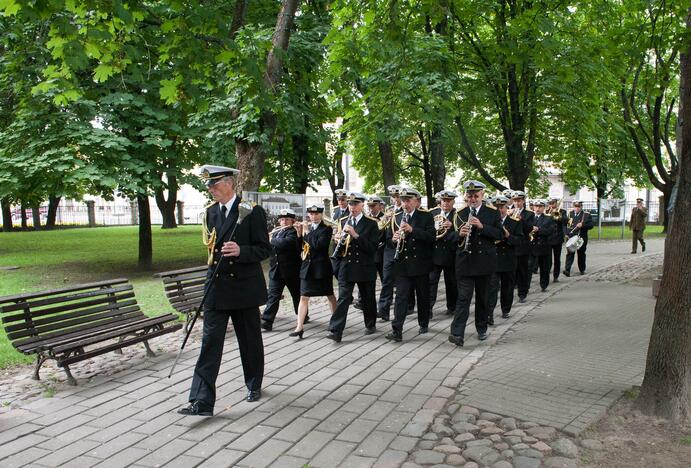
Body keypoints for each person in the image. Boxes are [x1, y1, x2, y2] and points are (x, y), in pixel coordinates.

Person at [178, 165, 271, 417]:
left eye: (215, 184)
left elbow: (265, 249)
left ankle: (254, 384)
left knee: (249, 341)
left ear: (230, 183)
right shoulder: (210, 213)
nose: (210, 190)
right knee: (209, 344)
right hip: (217, 288)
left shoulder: (252, 212)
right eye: (208, 186)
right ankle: (201, 401)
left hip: (243, 287)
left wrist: (242, 251)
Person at [448, 181, 503, 347]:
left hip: (484, 263)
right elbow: (448, 237)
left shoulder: (492, 213)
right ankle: (457, 333)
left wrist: (482, 226)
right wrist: (459, 234)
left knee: (482, 298)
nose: (472, 199)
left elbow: (499, 234)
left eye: (476, 196)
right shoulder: (459, 213)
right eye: (470, 196)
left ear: (482, 196)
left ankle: (481, 328)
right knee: (463, 298)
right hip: (465, 263)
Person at [327, 192, 380, 342]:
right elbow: (338, 247)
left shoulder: (371, 223)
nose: (352, 207)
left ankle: (370, 324)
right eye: (350, 204)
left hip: (364, 266)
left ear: (362, 204)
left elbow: (372, 248)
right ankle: (336, 330)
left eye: (355, 204)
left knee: (368, 298)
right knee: (343, 298)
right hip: (347, 266)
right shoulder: (342, 220)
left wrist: (356, 235)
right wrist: (337, 240)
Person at [385, 187, 435, 342]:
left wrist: (413, 230)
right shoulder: (396, 216)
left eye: (408, 201)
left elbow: (431, 238)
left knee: (422, 296)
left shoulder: (425, 216)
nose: (405, 204)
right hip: (403, 265)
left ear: (416, 201)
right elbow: (387, 240)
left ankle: (423, 323)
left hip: (420, 264)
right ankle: (397, 330)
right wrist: (393, 239)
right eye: (403, 200)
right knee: (401, 297)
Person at [292, 205, 337, 337]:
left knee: (330, 295)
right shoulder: (308, 228)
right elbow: (300, 247)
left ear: (321, 215)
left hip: (321, 268)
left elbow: (319, 246)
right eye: (311, 214)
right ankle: (299, 327)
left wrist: (306, 232)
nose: (314, 216)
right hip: (307, 268)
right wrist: (299, 234)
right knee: (303, 296)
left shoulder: (327, 229)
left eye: (317, 214)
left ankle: (335, 322)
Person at [261, 209, 302, 331]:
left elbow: (285, 243)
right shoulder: (276, 232)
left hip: (291, 271)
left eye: (287, 219)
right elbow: (270, 250)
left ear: (292, 221)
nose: (284, 222)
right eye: (282, 219)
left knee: (297, 295)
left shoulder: (293, 232)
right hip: (276, 270)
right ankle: (267, 321)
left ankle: (302, 315)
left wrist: (270, 240)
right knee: (273, 296)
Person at [487, 195, 523, 323]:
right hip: (493, 260)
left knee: (507, 288)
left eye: (501, 207)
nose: (499, 210)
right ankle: (489, 314)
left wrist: (508, 236)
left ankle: (505, 309)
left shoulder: (514, 222)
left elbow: (519, 241)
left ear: (507, 208)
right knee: (491, 288)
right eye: (496, 207)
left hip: (508, 260)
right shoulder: (489, 222)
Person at [429, 190, 459, 316]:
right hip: (434, 253)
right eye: (443, 200)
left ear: (453, 201)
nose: (446, 203)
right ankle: (428, 308)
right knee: (431, 282)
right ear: (440, 201)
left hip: (450, 254)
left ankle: (452, 307)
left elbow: (461, 233)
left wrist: (452, 226)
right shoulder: (432, 213)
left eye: (449, 201)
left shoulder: (458, 215)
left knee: (452, 282)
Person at [377, 185, 403, 321]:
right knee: (386, 280)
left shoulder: (407, 211)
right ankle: (383, 310)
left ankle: (404, 308)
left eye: (397, 196)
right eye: (393, 197)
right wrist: (384, 222)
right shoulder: (389, 211)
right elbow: (381, 233)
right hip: (388, 249)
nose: (395, 199)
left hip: (402, 249)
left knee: (402, 282)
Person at [510, 191, 535, 303]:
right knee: (511, 271)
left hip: (523, 246)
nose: (516, 203)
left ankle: (522, 293)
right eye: (515, 200)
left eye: (519, 200)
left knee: (522, 271)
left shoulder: (529, 214)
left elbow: (530, 229)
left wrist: (522, 219)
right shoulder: (508, 212)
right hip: (512, 245)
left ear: (523, 201)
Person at [530, 200, 556, 292]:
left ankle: (543, 285)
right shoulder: (530, 217)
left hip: (544, 246)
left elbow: (551, 231)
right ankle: (526, 287)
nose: (538, 208)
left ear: (544, 208)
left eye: (540, 206)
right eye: (536, 206)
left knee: (544, 268)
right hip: (531, 246)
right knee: (528, 267)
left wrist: (538, 229)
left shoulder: (548, 218)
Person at [563, 201, 594, 276]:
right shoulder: (570, 214)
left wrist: (582, 225)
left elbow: (591, 225)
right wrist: (566, 233)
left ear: (581, 207)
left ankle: (582, 269)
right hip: (571, 236)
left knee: (581, 254)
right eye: (575, 206)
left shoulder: (586, 215)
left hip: (581, 238)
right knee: (570, 253)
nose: (576, 208)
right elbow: (566, 225)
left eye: (578, 207)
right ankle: (567, 270)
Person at [546, 198, 568, 282]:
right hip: (548, 238)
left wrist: (558, 216)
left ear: (556, 203)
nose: (552, 205)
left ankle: (556, 276)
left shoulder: (562, 211)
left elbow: (566, 221)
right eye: (550, 203)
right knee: (548, 259)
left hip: (558, 238)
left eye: (553, 203)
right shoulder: (546, 211)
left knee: (557, 258)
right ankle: (546, 274)